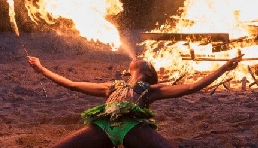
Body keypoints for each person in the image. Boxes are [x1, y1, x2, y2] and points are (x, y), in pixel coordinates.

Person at [27, 54, 243, 148]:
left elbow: (191, 87)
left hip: (133, 126)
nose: (141, 58)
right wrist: (41, 68)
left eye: (146, 61)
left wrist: (224, 67)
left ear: (148, 73)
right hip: (103, 125)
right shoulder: (111, 86)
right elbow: (71, 83)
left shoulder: (151, 89)